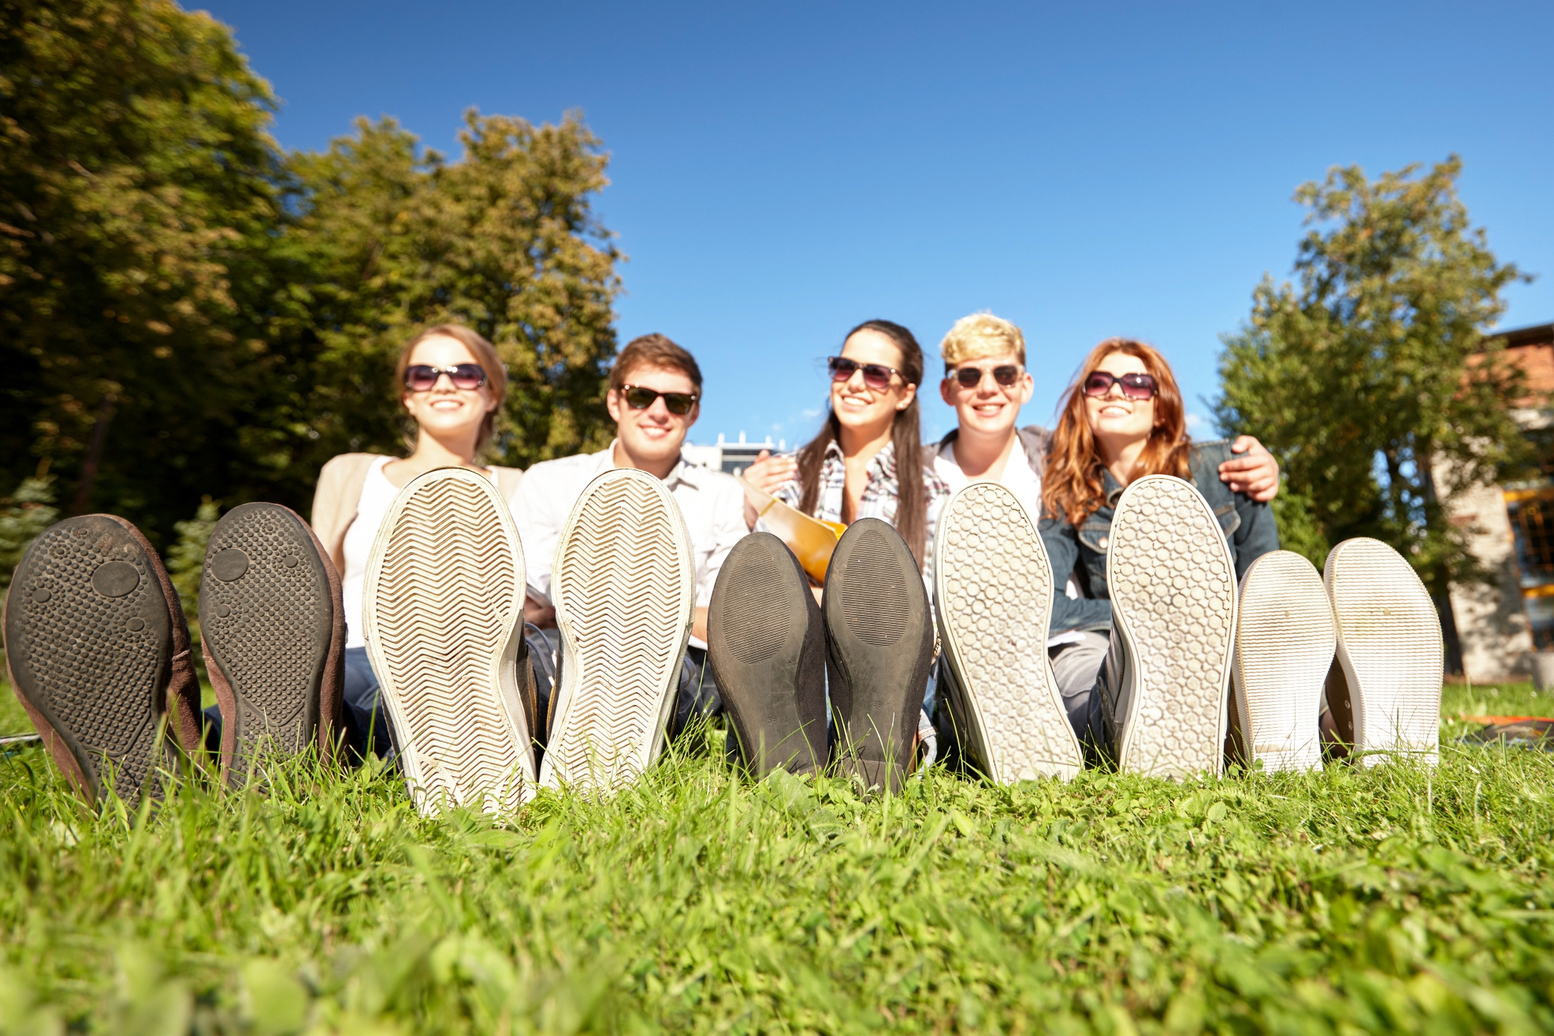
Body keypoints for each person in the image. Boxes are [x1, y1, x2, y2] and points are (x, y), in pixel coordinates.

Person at [711, 320, 948, 790]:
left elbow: (938, 599)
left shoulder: (935, 487)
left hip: (899, 642)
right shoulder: (787, 475)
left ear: (905, 393)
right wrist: (750, 509)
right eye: (844, 367)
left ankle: (827, 749)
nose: (855, 382)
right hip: (804, 643)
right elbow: (757, 590)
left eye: (876, 373)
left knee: (887, 647)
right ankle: (864, 754)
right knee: (788, 634)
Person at [510, 333, 749, 787]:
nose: (659, 411)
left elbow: (726, 618)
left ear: (693, 413)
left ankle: (562, 734)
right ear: (615, 403)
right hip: (559, 650)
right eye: (641, 395)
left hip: (677, 663)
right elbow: (527, 597)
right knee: (531, 651)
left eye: (677, 402)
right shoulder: (548, 481)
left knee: (678, 676)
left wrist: (582, 605)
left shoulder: (723, 495)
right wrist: (675, 610)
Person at [305, 323, 522, 763]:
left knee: (390, 703)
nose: (443, 384)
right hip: (353, 649)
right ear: (408, 396)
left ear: (492, 393)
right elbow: (317, 583)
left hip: (467, 660)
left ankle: (330, 738)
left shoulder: (518, 486)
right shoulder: (349, 473)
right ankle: (184, 737)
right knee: (312, 690)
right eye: (424, 374)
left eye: (464, 373)